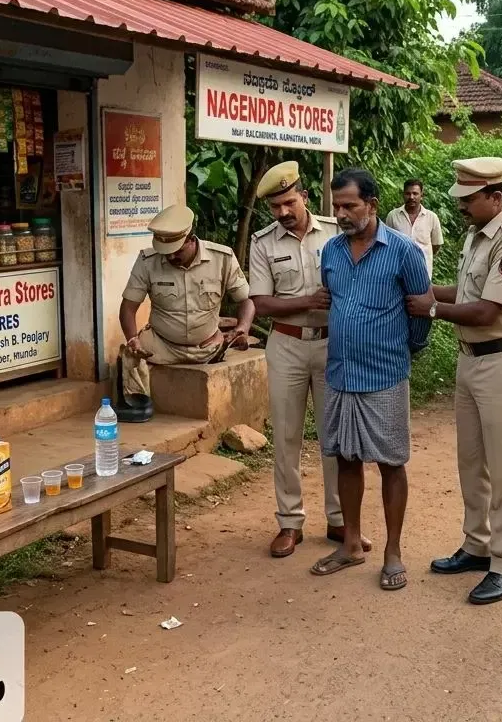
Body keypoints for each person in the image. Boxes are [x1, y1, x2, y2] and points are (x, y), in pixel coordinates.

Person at [407, 157, 502, 606]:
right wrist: (423, 292)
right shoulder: (476, 235)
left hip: (501, 361)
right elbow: (465, 293)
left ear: (495, 198)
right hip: (471, 361)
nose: (461, 206)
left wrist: (431, 309)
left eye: (470, 199)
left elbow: (486, 311)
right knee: (471, 461)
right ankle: (477, 545)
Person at [308, 168, 431, 592]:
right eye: (337, 206)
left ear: (372, 205)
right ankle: (350, 544)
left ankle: (392, 551)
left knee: (391, 463)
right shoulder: (331, 251)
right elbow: (333, 301)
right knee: (345, 457)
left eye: (350, 205)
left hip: (385, 376)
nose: (341, 214)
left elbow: (421, 311)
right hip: (341, 373)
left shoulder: (404, 252)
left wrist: (404, 350)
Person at [248, 162, 369, 558]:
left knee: (336, 436)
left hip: (334, 344)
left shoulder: (336, 232)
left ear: (303, 196)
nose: (283, 212)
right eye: (275, 207)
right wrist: (307, 302)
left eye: (288, 202)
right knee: (286, 436)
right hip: (287, 345)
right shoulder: (263, 243)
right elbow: (261, 303)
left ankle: (339, 520)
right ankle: (290, 522)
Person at [119, 204, 255, 400]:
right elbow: (128, 307)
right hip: (161, 346)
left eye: (177, 250)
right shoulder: (147, 261)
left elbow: (247, 299)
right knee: (129, 358)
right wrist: (132, 339)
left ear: (191, 239)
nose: (171, 256)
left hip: (207, 347)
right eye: (166, 252)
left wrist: (243, 328)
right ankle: (138, 406)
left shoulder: (222, 258)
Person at [384, 179, 444, 276]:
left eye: (415, 193)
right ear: (403, 195)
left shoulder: (432, 217)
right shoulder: (393, 216)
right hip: (398, 272)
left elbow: (436, 245)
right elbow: (388, 243)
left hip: (423, 273)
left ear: (421, 196)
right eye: (408, 193)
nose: (411, 197)